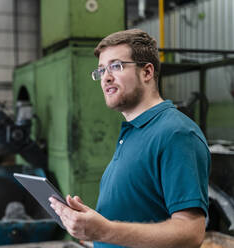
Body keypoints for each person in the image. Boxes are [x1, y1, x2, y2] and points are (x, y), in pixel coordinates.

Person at [49, 29, 210, 248]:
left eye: (116, 66)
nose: (106, 77)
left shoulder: (176, 133)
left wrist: (105, 230)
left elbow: (190, 233)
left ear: (147, 72)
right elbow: (137, 212)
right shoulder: (132, 131)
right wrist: (91, 226)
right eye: (101, 70)